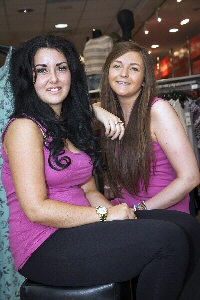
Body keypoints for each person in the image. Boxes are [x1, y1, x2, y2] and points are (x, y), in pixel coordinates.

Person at [1, 35, 200, 300]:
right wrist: (106, 215)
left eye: (61, 68)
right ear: (29, 77)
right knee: (168, 241)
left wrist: (112, 211)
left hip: (82, 227)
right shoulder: (24, 127)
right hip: (43, 243)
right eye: (42, 70)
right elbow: (37, 209)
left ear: (72, 73)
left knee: (187, 226)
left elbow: (89, 189)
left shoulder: (67, 127)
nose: (54, 78)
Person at [99, 41, 200, 214]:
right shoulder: (109, 114)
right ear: (108, 73)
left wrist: (140, 210)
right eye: (117, 66)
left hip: (163, 214)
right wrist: (95, 109)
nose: (123, 74)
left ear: (144, 80)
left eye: (134, 69)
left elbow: (190, 178)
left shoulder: (158, 110)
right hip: (131, 212)